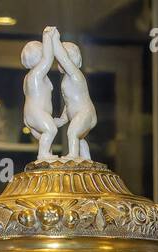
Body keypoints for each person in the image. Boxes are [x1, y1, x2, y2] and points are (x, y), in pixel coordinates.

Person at [49, 27, 97, 161]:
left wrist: (54, 40)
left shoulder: (75, 75)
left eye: (60, 60)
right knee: (79, 138)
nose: (60, 63)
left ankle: (73, 157)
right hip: (79, 114)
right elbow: (69, 102)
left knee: (73, 132)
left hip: (85, 113)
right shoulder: (67, 79)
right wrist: (63, 119)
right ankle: (87, 159)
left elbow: (64, 59)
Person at [21, 27, 65, 161]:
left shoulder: (31, 77)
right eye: (42, 53)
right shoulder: (35, 74)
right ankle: (43, 155)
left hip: (34, 114)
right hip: (35, 113)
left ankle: (46, 157)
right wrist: (47, 37)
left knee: (46, 138)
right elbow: (48, 58)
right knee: (51, 131)